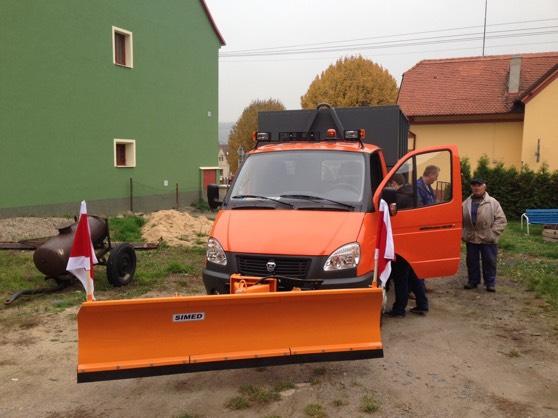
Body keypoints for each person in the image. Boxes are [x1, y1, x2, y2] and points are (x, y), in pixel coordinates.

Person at [462, 178, 507, 292]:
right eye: (474, 185)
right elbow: (459, 221)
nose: (476, 187)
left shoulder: (493, 202)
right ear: (471, 187)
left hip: (488, 238)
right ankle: (473, 281)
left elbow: (501, 220)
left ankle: (490, 283)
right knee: (472, 261)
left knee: (490, 261)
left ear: (484, 186)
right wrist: (463, 233)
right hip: (471, 237)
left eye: (479, 185)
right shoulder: (466, 203)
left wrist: (492, 234)